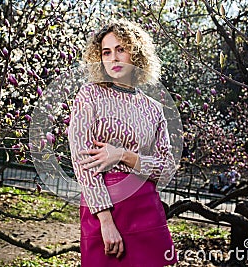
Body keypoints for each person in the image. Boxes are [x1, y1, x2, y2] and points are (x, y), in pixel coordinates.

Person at [68, 18, 178, 267]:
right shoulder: (89, 95)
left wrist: (122, 155)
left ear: (135, 54)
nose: (114, 58)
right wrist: (105, 221)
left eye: (121, 49)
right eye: (106, 52)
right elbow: (82, 161)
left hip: (145, 207)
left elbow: (168, 168)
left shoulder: (154, 109)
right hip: (103, 207)